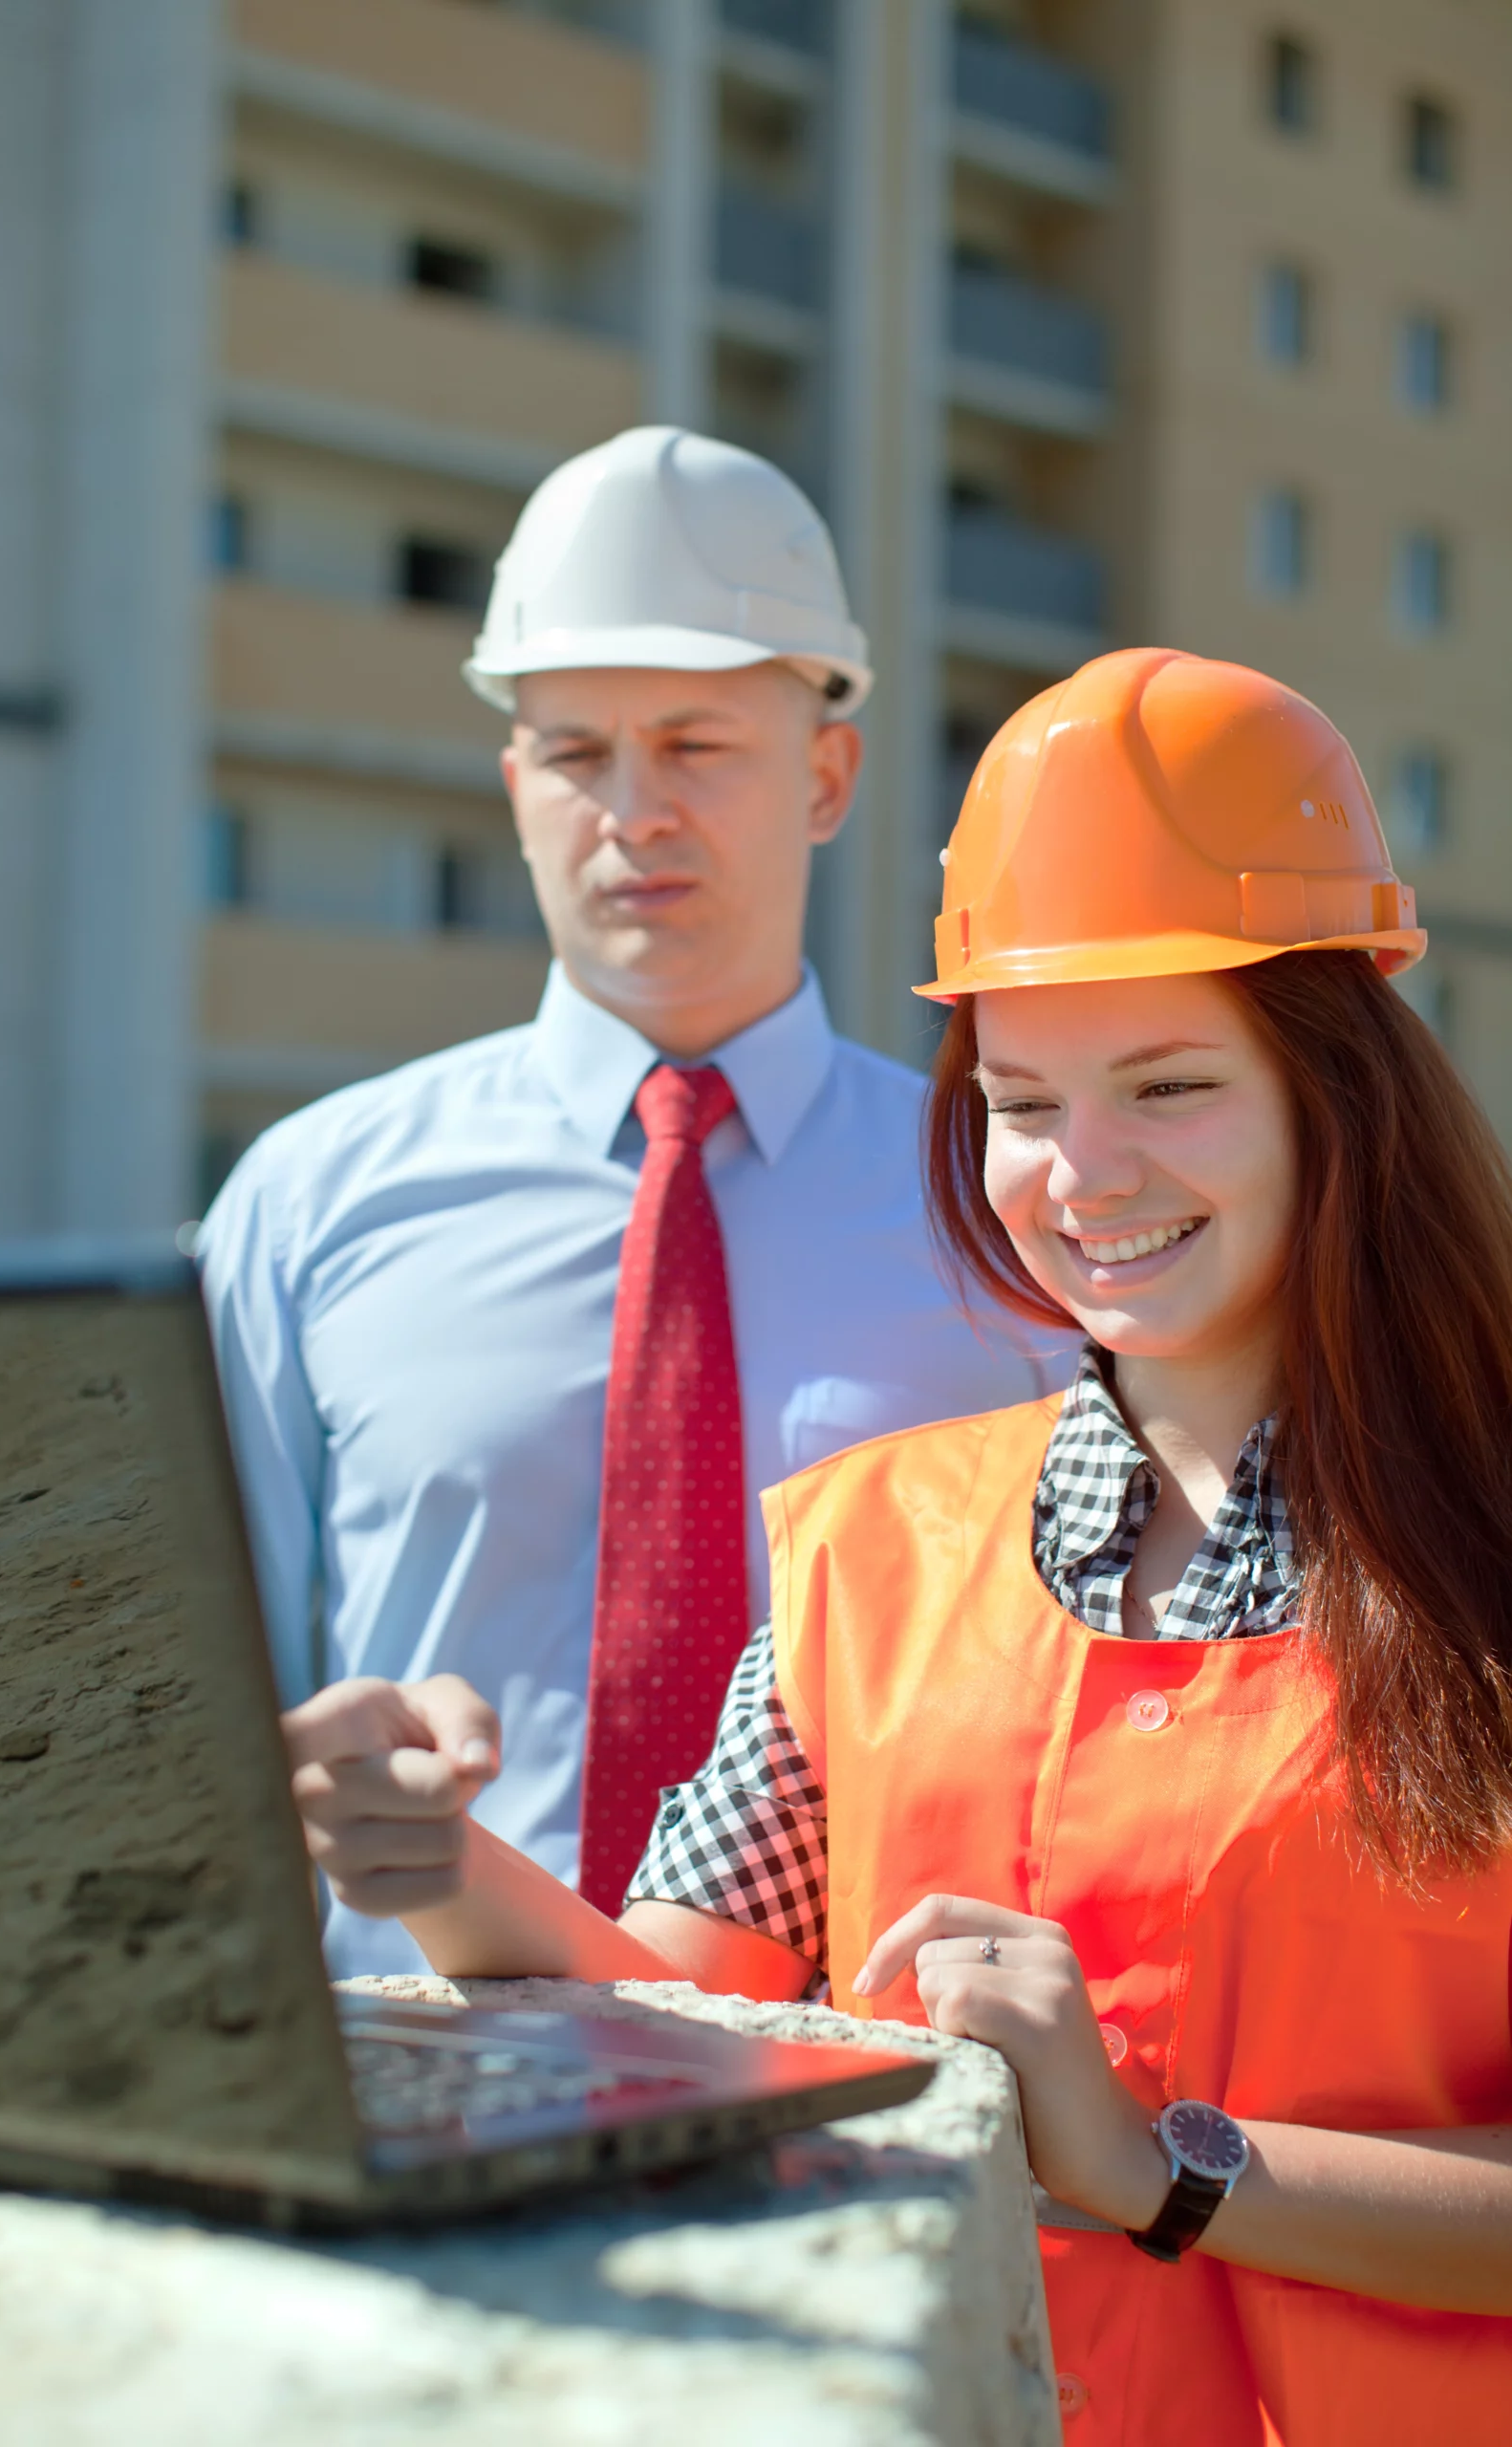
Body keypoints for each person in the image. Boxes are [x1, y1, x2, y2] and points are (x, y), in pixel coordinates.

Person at [366, 648, 1512, 2443]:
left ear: (1334, 1093)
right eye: (1025, 1102)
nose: (1084, 1173)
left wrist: (1160, 2170)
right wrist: (427, 1861)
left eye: (1166, 1086)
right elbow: (683, 2013)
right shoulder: (869, 1548)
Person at [200, 425, 1062, 1980]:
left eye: (693, 743)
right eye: (578, 752)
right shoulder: (308, 1203)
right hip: (410, 2081)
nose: (632, 811)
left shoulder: (1009, 1202)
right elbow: (179, 1707)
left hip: (863, 2083)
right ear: (514, 777)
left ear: (826, 773)